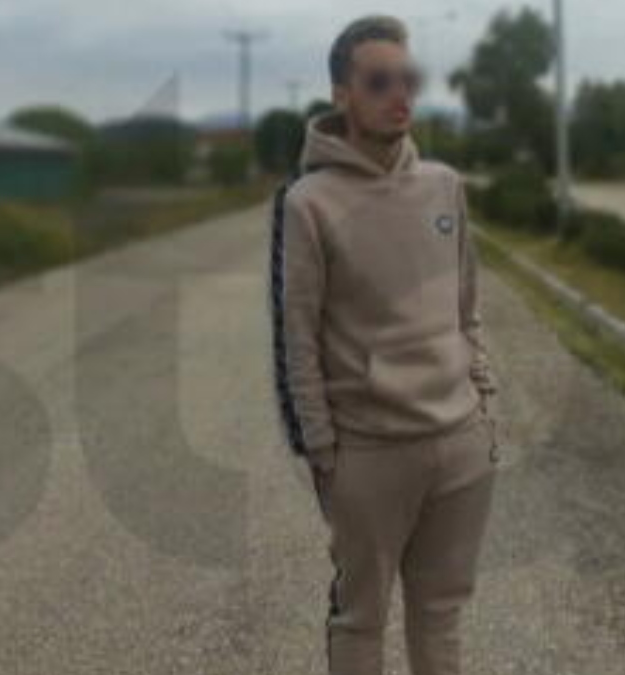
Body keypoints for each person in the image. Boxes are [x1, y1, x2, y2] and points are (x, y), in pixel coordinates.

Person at [267, 14, 501, 675]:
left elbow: (465, 310)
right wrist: (322, 451)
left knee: (441, 615)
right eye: (378, 81)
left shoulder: (444, 186)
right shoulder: (307, 203)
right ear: (342, 93)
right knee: (360, 619)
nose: (399, 94)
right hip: (368, 453)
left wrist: (485, 407)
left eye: (407, 79)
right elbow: (297, 339)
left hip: (460, 445)